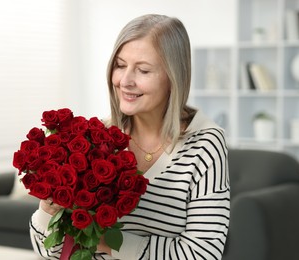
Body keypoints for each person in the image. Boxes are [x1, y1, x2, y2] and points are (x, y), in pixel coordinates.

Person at [29, 14, 230, 259]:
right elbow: (49, 250)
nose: (125, 81)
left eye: (143, 70)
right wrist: (48, 209)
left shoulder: (205, 144)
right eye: (120, 65)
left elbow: (203, 254)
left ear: (174, 78)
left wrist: (111, 244)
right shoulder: (97, 138)